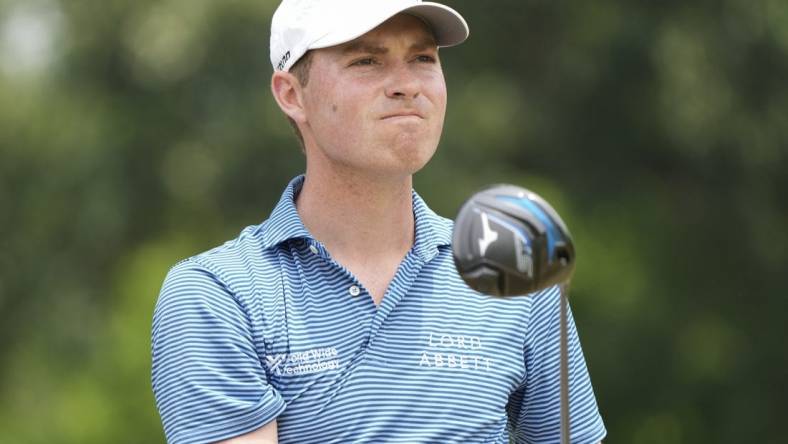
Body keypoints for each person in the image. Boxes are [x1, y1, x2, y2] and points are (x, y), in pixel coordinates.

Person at [151, 1, 607, 443]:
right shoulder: (216, 293)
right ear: (292, 94)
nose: (407, 85)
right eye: (367, 60)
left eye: (423, 58)